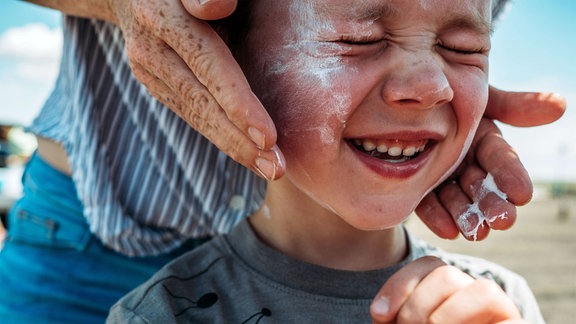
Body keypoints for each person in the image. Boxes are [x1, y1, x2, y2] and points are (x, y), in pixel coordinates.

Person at [0, 0, 565, 323]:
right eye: (355, 40)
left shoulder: (496, 303)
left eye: (464, 50)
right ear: (228, 53)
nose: (430, 86)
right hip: (95, 226)